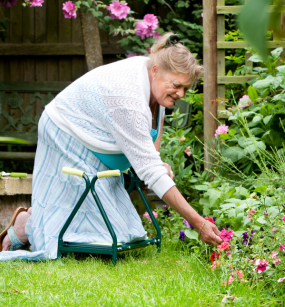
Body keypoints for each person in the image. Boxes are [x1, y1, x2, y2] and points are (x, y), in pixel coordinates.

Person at [0, 33, 222, 260]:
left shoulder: (156, 87)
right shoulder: (128, 98)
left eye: (185, 88)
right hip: (66, 130)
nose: (181, 94)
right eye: (177, 86)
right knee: (90, 240)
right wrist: (198, 222)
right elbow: (150, 173)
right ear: (155, 71)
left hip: (96, 140)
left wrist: (158, 162)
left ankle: (34, 221)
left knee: (119, 236)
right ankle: (25, 225)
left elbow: (150, 148)